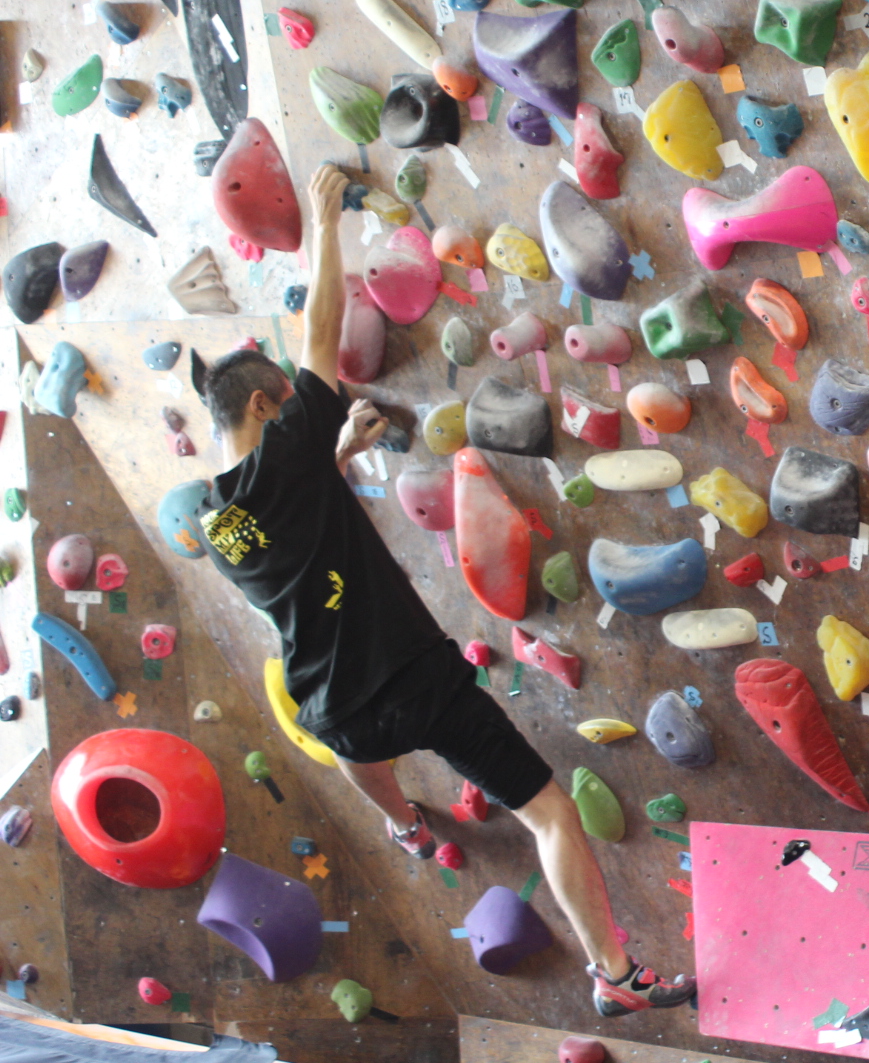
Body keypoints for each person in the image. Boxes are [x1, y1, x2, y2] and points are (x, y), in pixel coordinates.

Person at [196, 163, 692, 1017]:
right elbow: (321, 335)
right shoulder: (286, 448)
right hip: (417, 678)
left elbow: (293, 537)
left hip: (336, 705)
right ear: (271, 408)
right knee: (550, 814)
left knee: (363, 758)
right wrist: (324, 221)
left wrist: (335, 457)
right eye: (292, 409)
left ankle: (404, 826)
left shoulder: (218, 520)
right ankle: (612, 973)